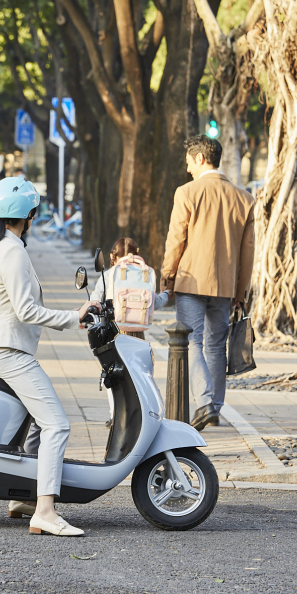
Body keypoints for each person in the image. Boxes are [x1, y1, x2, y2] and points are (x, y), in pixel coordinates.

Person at [0, 176, 93, 537]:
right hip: (8, 350)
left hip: (3, 346)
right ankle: (44, 510)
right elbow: (26, 310)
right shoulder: (12, 252)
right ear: (27, 215)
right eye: (34, 213)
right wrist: (75, 317)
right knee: (56, 424)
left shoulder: (0, 246)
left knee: (32, 426)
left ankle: (23, 497)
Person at [161, 135, 255, 431]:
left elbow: (177, 239)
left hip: (191, 280)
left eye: (189, 161)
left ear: (201, 158)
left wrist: (168, 275)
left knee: (191, 341)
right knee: (216, 345)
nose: (187, 168)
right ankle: (214, 407)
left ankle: (203, 403)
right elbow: (248, 251)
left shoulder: (187, 192)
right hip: (226, 286)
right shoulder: (244, 198)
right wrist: (241, 291)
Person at [90, 237, 169, 340]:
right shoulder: (143, 274)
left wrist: (85, 314)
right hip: (138, 333)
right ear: (137, 255)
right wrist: (166, 294)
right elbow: (156, 303)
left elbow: (95, 299)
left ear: (112, 255)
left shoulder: (109, 274)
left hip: (114, 332)